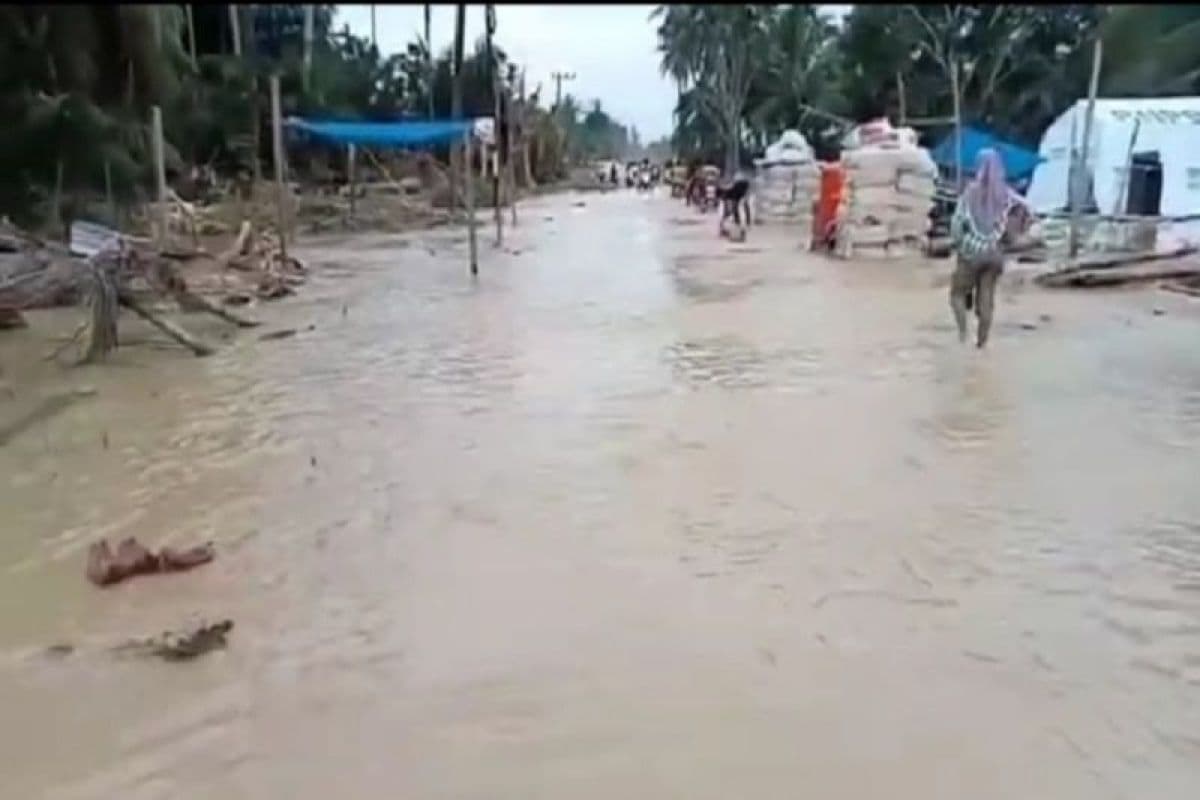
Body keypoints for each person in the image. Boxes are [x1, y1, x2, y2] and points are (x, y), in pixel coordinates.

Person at [949, 149, 1028, 349]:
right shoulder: (1006, 195)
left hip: (971, 253)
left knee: (957, 294)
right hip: (995, 255)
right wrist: (1012, 236)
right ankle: (982, 344)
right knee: (987, 298)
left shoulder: (970, 194)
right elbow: (1027, 209)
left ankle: (962, 336)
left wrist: (958, 243)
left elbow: (957, 224)